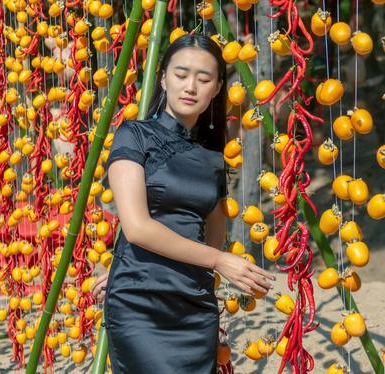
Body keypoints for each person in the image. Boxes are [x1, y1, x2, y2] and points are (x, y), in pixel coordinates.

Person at [91, 33, 275, 373]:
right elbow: (137, 228)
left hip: (194, 305)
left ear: (218, 87)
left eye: (204, 78)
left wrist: (215, 262)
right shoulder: (133, 135)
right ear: (162, 78)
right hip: (139, 304)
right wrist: (220, 260)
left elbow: (212, 236)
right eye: (181, 74)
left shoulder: (213, 157)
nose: (191, 86)